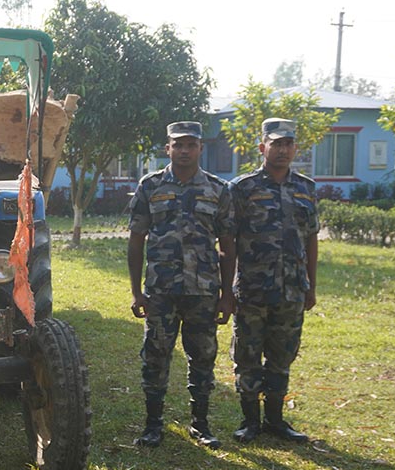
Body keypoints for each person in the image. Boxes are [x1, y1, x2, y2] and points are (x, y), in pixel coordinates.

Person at [127, 121, 235, 449]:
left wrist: (226, 295)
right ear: (168, 148)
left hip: (203, 291)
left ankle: (201, 424)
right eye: (178, 145)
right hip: (161, 291)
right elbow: (136, 240)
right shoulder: (150, 186)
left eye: (191, 144)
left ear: (201, 148)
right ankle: (153, 425)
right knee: (155, 357)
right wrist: (136, 291)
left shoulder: (218, 189)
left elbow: (227, 246)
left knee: (202, 357)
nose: (184, 150)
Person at [228, 118, 317, 443]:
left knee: (282, 357)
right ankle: (250, 421)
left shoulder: (306, 188)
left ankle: (276, 421)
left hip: (292, 290)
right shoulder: (242, 188)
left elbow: (311, 239)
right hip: (252, 290)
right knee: (248, 357)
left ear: (295, 148)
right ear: (262, 147)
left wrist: (311, 285)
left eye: (288, 144)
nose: (282, 150)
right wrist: (228, 289)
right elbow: (229, 240)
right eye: (276, 143)